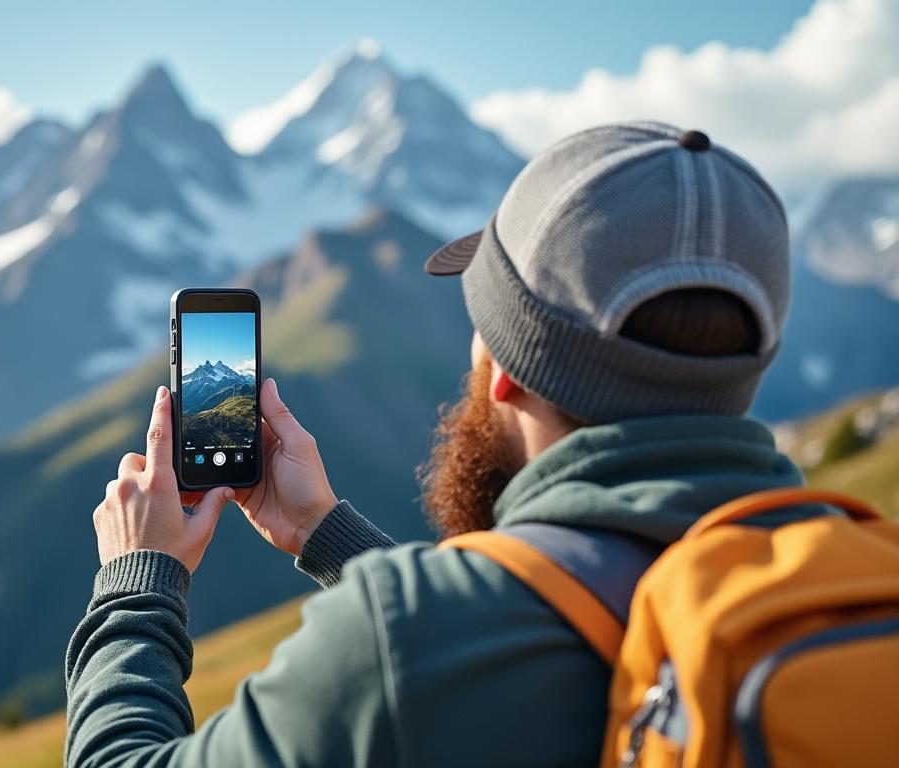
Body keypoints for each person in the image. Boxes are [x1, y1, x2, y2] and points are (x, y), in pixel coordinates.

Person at [67, 122, 807, 766]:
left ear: (509, 369)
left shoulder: (404, 635)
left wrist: (138, 580)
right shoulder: (839, 572)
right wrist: (325, 533)